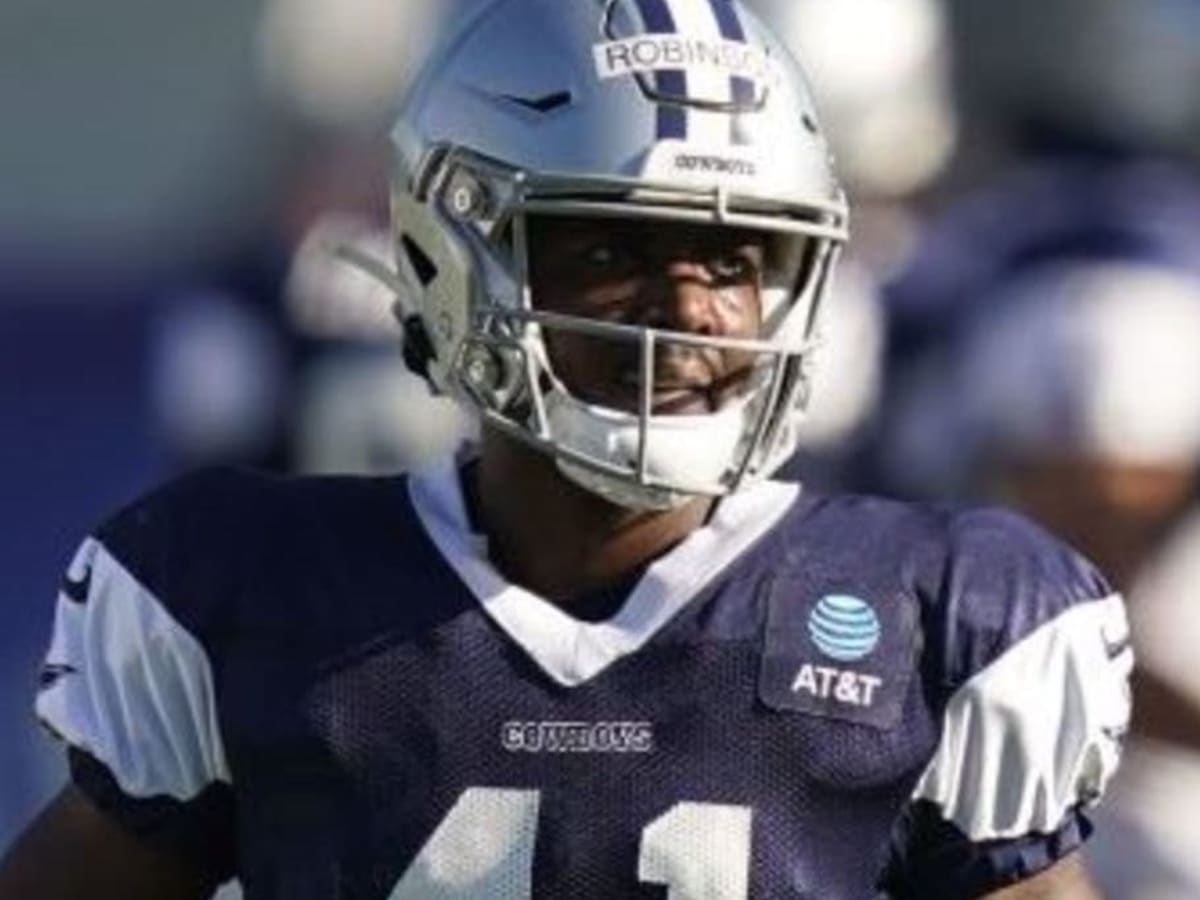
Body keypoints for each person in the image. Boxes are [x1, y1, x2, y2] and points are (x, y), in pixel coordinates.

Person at [0, 0, 1130, 897]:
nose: (686, 307)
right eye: (613, 247)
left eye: (735, 261)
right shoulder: (244, 591)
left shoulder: (943, 618)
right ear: (455, 256)